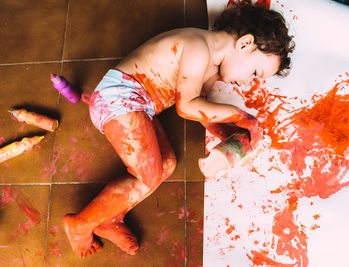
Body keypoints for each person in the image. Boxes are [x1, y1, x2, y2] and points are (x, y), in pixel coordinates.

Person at [63, 4, 294, 258]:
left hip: (140, 107)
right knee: (149, 175)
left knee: (167, 163)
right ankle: (80, 224)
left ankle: (110, 218)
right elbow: (186, 107)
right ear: (244, 44)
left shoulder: (212, 68)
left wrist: (229, 135)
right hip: (119, 100)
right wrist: (242, 116)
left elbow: (200, 110)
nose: (250, 82)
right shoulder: (198, 47)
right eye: (255, 72)